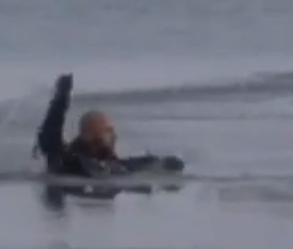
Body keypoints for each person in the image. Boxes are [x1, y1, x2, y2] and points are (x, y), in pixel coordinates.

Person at [34, 73, 183, 177]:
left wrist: (162, 162)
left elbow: (134, 164)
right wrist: (61, 100)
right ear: (91, 135)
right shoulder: (71, 159)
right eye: (108, 131)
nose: (114, 135)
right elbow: (49, 136)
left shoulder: (109, 163)